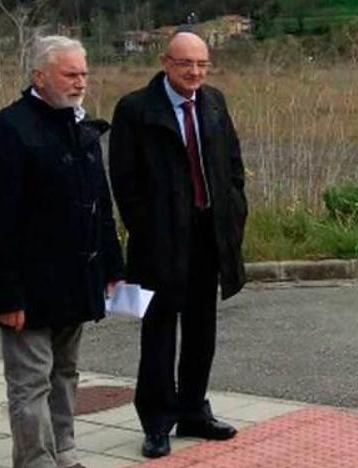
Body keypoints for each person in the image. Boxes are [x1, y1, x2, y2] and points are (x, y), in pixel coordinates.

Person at [0, 35, 124, 468]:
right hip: (30, 287)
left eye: (84, 74)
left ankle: (66, 454)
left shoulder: (82, 130)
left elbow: (101, 206)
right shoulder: (8, 131)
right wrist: (5, 294)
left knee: (66, 375)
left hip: (76, 283)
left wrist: (112, 267)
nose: (80, 82)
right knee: (30, 382)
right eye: (69, 73)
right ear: (39, 76)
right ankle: (36, 461)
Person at [108, 32, 248, 459]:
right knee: (159, 333)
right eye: (186, 64)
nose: (195, 73)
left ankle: (193, 411)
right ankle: (156, 422)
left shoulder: (214, 102)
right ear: (165, 63)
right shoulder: (136, 110)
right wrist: (149, 229)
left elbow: (232, 164)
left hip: (209, 237)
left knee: (202, 330)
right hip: (160, 243)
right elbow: (125, 183)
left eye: (203, 64)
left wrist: (235, 210)